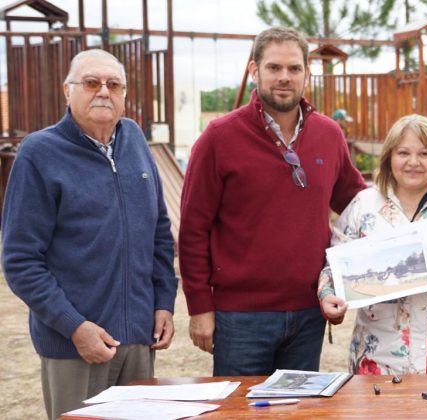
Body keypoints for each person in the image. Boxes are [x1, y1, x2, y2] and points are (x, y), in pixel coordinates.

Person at [179, 26, 367, 376]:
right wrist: (199, 308)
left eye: (294, 69)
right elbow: (193, 229)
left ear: (307, 74)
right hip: (241, 318)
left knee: (298, 414)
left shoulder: (328, 134)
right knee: (239, 413)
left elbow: (358, 203)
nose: (285, 77)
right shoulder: (218, 138)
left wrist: (419, 219)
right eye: (274, 68)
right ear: (254, 70)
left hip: (309, 313)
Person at [1, 49, 177, 419]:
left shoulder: (134, 141)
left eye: (114, 84)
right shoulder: (39, 153)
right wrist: (75, 328)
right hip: (74, 346)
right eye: (91, 82)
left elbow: (159, 232)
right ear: (68, 91)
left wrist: (163, 302)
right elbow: (20, 261)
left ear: (125, 94)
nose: (103, 92)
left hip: (138, 341)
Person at [319, 114, 427, 375]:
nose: (414, 163)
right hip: (380, 358)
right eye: (403, 153)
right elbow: (333, 268)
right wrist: (327, 295)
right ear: (389, 157)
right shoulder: (364, 206)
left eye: (425, 154)